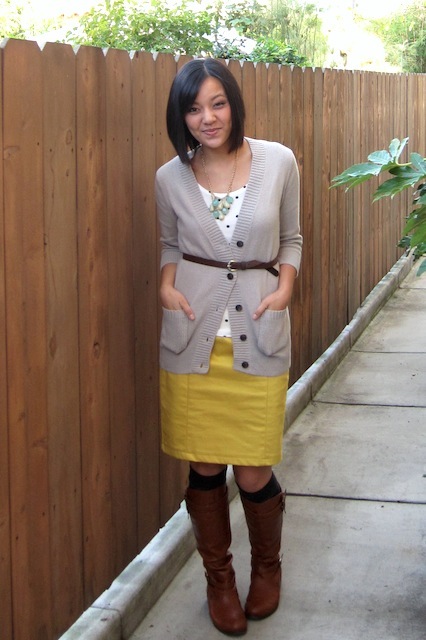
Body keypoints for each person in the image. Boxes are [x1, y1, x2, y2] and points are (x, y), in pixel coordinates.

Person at [155, 57, 302, 637]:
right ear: (181, 117)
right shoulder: (170, 177)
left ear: (234, 104)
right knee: (205, 466)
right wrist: (166, 285)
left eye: (217, 103)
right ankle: (219, 581)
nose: (207, 118)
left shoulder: (278, 161)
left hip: (258, 335)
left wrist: (284, 288)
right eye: (194, 109)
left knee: (254, 470)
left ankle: (268, 568)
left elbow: (290, 238)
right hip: (193, 338)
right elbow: (170, 243)